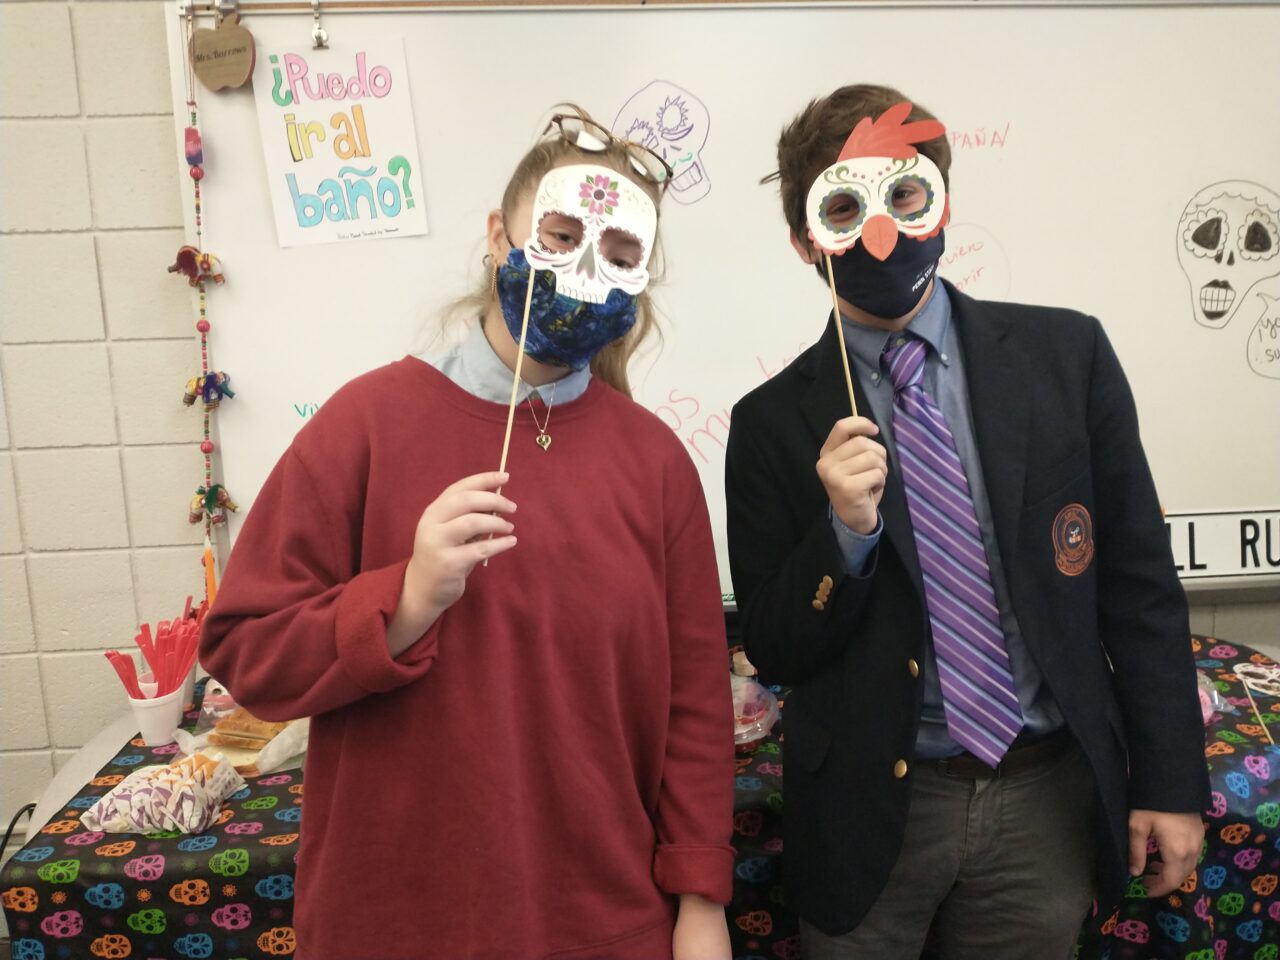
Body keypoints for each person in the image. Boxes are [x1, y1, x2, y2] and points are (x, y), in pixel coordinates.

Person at [201, 107, 734, 960]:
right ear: (498, 236)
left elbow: (695, 704)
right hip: (398, 919)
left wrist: (701, 898)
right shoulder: (366, 426)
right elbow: (244, 650)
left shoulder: (655, 464)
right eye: (560, 235)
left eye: (621, 255)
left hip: (599, 917)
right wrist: (401, 604)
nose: (588, 269)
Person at [724, 85, 1208, 958]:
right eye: (843, 208)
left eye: (905, 196)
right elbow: (775, 647)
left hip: (1042, 795)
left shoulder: (1069, 358)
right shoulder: (769, 422)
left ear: (940, 197)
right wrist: (845, 535)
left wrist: (1172, 782)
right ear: (805, 240)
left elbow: (1139, 587)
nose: (884, 230)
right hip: (873, 810)